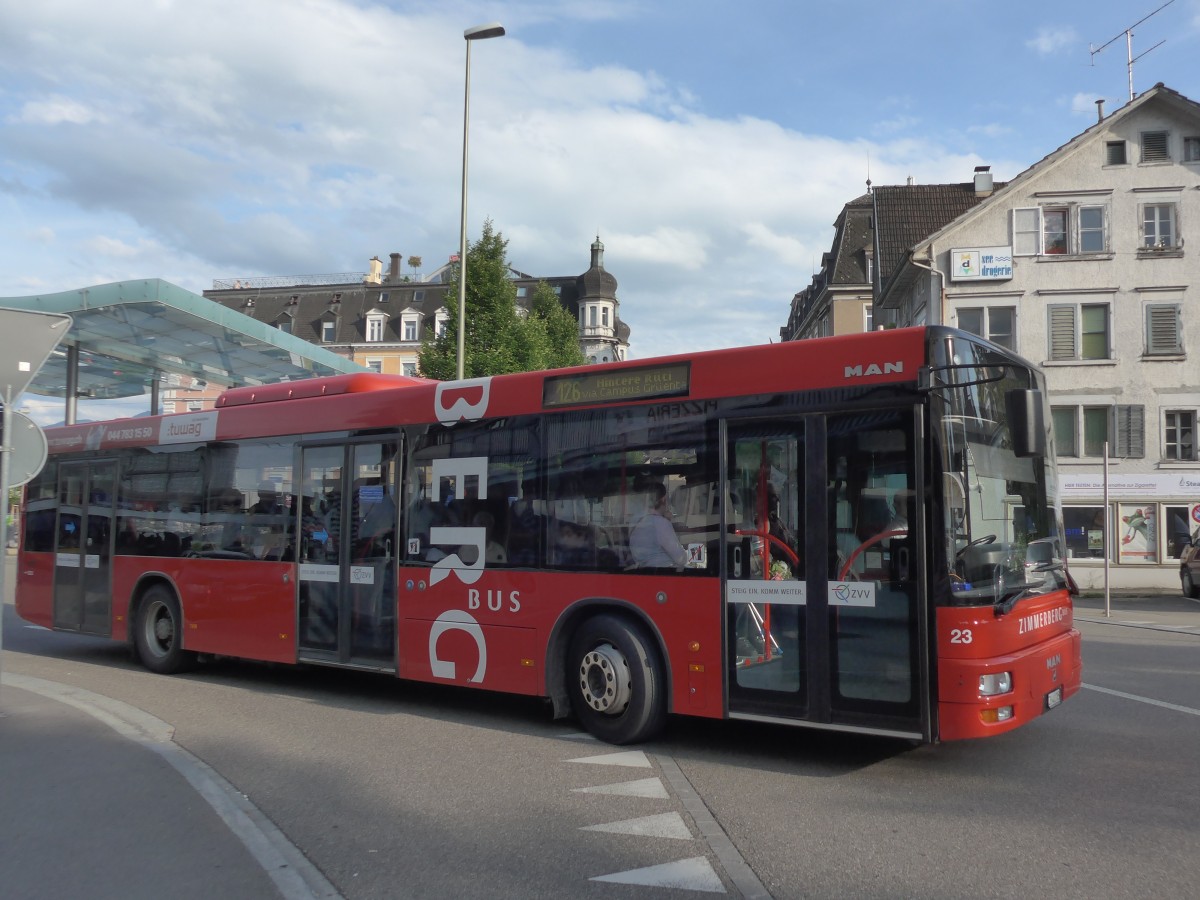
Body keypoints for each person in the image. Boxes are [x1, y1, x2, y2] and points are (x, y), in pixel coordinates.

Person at [629, 482, 687, 571]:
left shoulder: (635, 520)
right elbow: (681, 559)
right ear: (663, 499)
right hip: (663, 573)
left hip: (643, 571)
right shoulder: (661, 523)